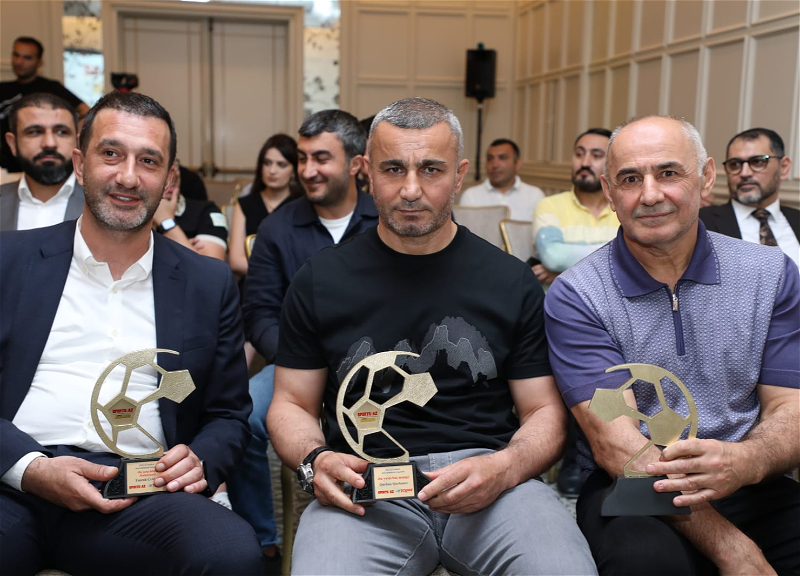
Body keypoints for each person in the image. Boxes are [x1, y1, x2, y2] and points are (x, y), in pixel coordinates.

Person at [267, 97, 597, 575]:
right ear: (367, 172)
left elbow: (544, 411)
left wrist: (505, 467)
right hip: (366, 484)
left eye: (431, 169)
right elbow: (291, 403)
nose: (410, 190)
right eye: (393, 169)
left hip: (491, 481)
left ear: (459, 176)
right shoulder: (319, 280)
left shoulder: (510, 281)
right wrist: (314, 459)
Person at [0, 91, 263, 574]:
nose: (127, 177)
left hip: (142, 491)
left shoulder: (206, 283)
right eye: (111, 154)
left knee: (230, 554)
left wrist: (200, 459)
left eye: (148, 161)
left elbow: (228, 414)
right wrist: (31, 469)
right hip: (13, 481)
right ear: (80, 164)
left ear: (168, 179)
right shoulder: (8, 260)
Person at [545, 115, 800, 575]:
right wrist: (732, 548)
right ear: (609, 192)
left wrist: (746, 460)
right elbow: (618, 446)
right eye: (629, 179)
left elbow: (790, 406)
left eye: (668, 173)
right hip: (633, 488)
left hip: (749, 478)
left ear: (706, 178)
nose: (650, 195)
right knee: (645, 561)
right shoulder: (578, 294)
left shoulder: (771, 273)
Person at [230, 109, 378, 572]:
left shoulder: (386, 218)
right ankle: (262, 540)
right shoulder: (278, 227)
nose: (307, 170)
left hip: (378, 369)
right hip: (295, 366)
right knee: (238, 418)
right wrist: (303, 361)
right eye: (302, 158)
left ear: (356, 163)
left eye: (321, 158)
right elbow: (259, 312)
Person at [700, 127, 799, 267]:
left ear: (783, 168)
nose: (745, 173)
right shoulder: (701, 223)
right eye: (735, 164)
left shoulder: (796, 220)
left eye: (758, 162)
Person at [531, 128, 618, 286]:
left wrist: (564, 274)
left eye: (596, 156)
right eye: (579, 154)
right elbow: (554, 257)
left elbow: (638, 260)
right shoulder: (549, 205)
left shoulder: (624, 209)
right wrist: (618, 258)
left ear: (614, 164)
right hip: (563, 301)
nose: (584, 163)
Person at [0, 37, 89, 173]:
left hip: (45, 164)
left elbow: (86, 111)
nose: (19, 62)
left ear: (39, 62)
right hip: (7, 166)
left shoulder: (52, 88)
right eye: (16, 55)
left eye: (27, 58)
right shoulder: (2, 89)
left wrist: (71, 135)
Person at [0, 93, 84, 231]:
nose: (49, 143)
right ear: (13, 144)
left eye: (62, 132)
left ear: (77, 141)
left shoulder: (104, 203)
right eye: (35, 132)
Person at [229, 134, 303, 276]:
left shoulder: (302, 205)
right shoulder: (245, 204)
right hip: (254, 281)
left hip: (294, 283)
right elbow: (236, 261)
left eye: (281, 165)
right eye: (267, 163)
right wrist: (276, 274)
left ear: (294, 171)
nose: (272, 171)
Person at [153, 160, 228, 260]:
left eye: (174, 162)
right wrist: (183, 247)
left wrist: (165, 221)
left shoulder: (206, 212)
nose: (172, 171)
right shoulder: (133, 213)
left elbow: (210, 268)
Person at [458, 138, 544, 221]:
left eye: (502, 158)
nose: (495, 165)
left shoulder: (534, 196)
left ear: (517, 163)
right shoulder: (471, 196)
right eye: (490, 159)